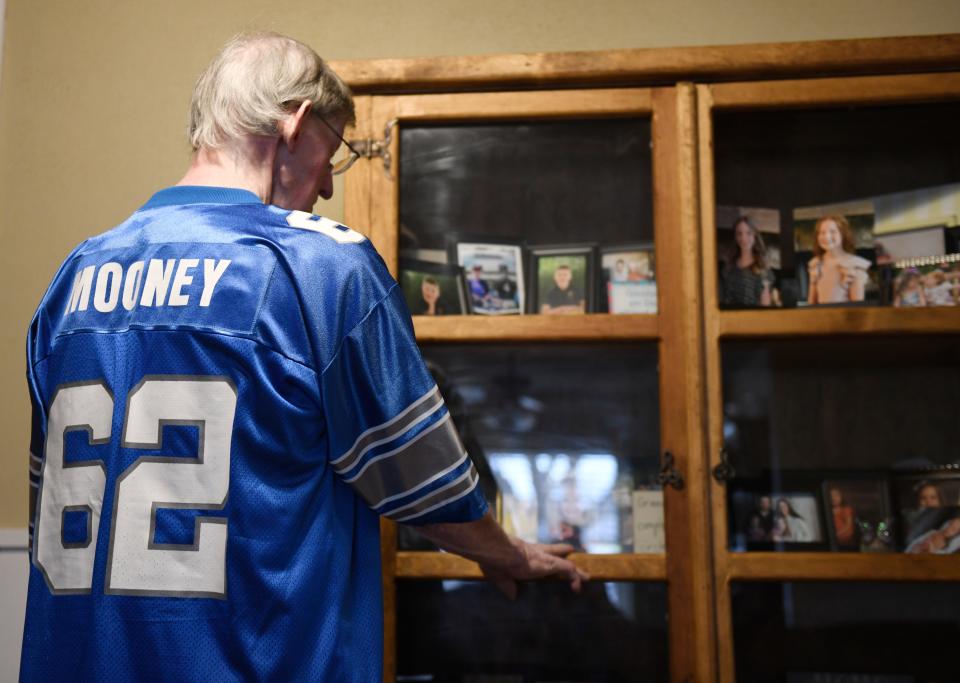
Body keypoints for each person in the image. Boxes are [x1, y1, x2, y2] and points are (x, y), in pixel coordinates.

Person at [20, 32, 586, 682]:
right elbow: (425, 487)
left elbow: (49, 510)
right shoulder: (321, 266)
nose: (323, 190)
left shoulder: (71, 277)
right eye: (334, 153)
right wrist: (505, 551)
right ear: (293, 125)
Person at [806, 214, 871, 305]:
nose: (827, 236)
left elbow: (857, 306)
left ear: (843, 234)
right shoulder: (815, 264)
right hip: (820, 318)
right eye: (822, 232)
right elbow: (811, 303)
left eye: (833, 232)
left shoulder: (855, 265)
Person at [719, 217, 775, 307]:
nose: (743, 238)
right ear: (735, 237)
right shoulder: (728, 268)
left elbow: (765, 304)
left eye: (748, 233)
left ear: (755, 236)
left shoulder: (764, 268)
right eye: (739, 234)